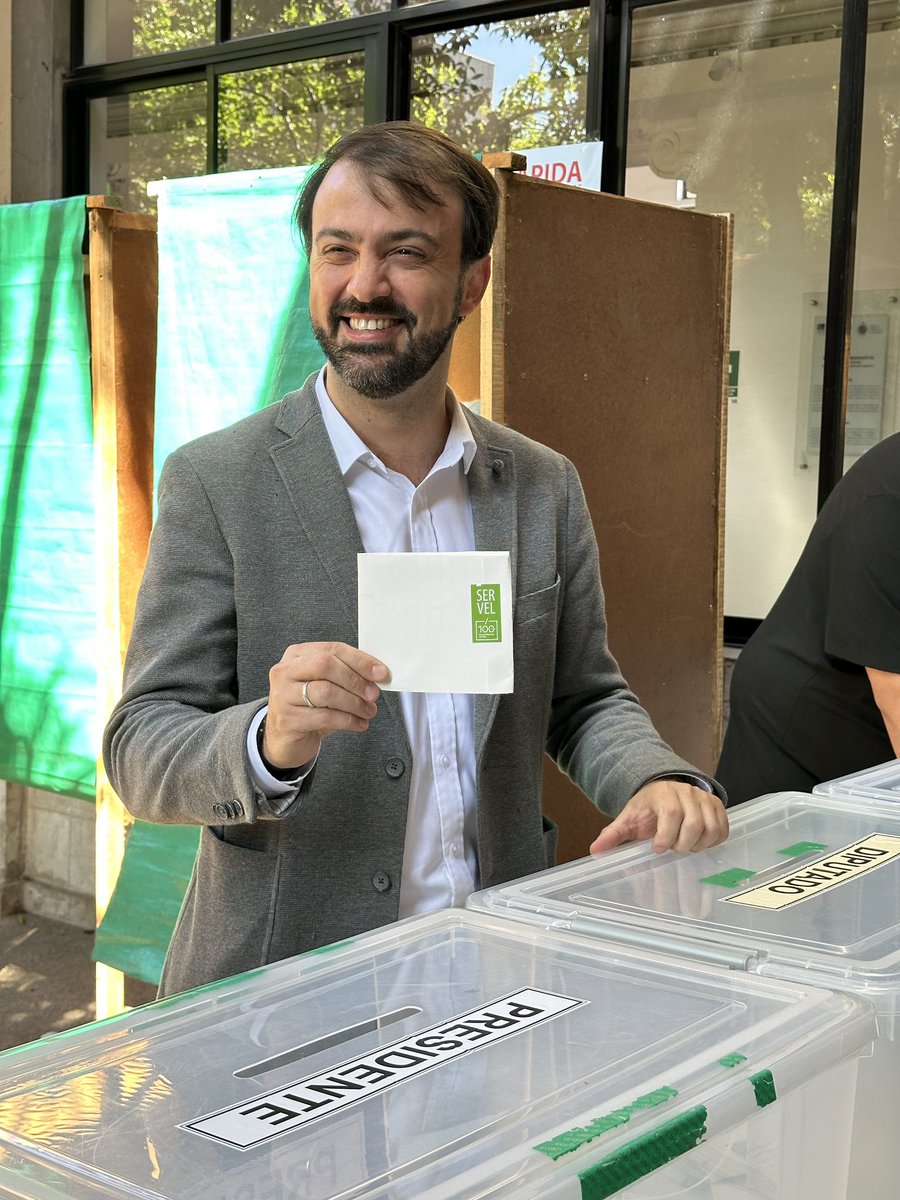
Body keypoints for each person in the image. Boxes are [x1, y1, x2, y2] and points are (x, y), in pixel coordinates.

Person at [103, 122, 728, 996]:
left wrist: (656, 776)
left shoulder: (540, 486)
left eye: (406, 253)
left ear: (470, 282)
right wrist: (267, 739)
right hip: (277, 992)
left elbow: (582, 696)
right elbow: (141, 745)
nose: (365, 285)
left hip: (492, 980)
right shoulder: (218, 482)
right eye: (338, 251)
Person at [718, 430, 900, 804]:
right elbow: (895, 696)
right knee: (782, 857)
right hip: (807, 721)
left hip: (871, 728)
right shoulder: (885, 502)